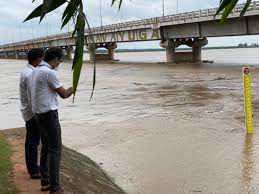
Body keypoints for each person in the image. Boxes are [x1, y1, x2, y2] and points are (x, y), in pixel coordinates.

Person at [30, 47, 73, 194]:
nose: (60, 63)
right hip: (49, 115)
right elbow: (64, 94)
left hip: (38, 115)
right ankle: (55, 187)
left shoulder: (36, 71)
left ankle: (46, 182)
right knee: (55, 150)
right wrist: (75, 87)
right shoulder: (50, 73)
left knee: (46, 149)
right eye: (60, 60)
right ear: (54, 59)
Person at [19, 48, 44, 179]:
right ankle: (34, 170)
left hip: (27, 110)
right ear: (38, 59)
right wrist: (38, 114)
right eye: (42, 59)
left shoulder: (27, 71)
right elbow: (32, 97)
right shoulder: (30, 74)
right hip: (32, 112)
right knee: (33, 141)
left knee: (30, 140)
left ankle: (32, 167)